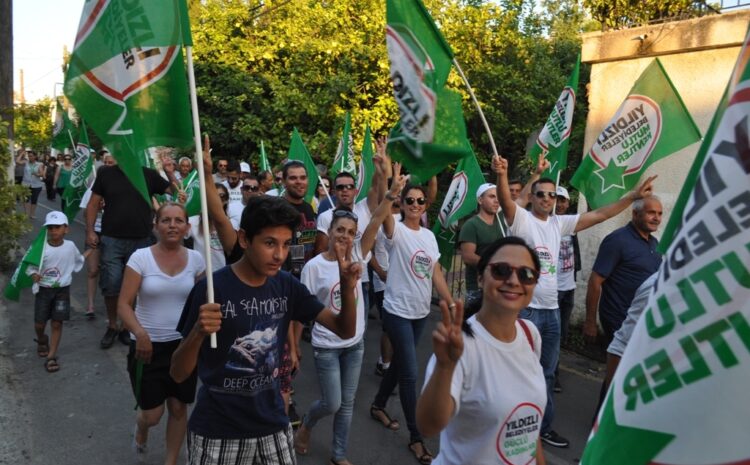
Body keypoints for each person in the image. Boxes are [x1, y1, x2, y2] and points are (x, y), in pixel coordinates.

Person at [170, 196, 361, 465]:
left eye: (285, 244)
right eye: (270, 243)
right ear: (245, 239)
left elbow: (344, 329)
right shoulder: (211, 290)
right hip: (217, 431)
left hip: (273, 424)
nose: (280, 255)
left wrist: (346, 284)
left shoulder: (286, 286)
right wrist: (198, 332)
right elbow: (178, 373)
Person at [493, 154, 657, 448]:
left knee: (546, 373)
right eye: (540, 194)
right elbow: (507, 203)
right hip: (525, 312)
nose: (546, 199)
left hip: (552, 312)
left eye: (551, 195)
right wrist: (503, 176)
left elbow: (601, 215)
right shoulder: (522, 220)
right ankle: (505, 426)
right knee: (517, 371)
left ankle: (542, 428)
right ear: (531, 198)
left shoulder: (560, 224)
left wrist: (632, 196)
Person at [294, 169, 406, 465]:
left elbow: (379, 217)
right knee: (332, 403)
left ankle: (339, 454)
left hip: (354, 345)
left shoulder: (359, 254)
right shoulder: (314, 268)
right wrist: (293, 347)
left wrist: (392, 191)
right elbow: (300, 311)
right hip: (326, 346)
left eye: (350, 232)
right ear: (329, 232)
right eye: (339, 230)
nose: (345, 236)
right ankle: (307, 422)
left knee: (347, 404)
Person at [417, 237, 546, 465]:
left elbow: (528, 429)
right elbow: (428, 426)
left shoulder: (530, 334)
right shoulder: (460, 345)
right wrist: (445, 367)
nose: (514, 280)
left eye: (526, 274)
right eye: (501, 270)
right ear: (480, 277)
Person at [370, 183, 456, 465]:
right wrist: (389, 189)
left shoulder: (429, 237)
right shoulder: (396, 229)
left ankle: (378, 405)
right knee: (409, 373)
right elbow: (383, 215)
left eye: (420, 201)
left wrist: (450, 302)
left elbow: (436, 274)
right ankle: (416, 437)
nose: (416, 204)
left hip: (420, 313)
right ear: (403, 203)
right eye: (410, 200)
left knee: (400, 365)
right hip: (396, 311)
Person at [118, 202, 206, 465]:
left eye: (179, 220)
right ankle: (141, 429)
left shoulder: (196, 260)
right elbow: (124, 304)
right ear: (155, 226)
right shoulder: (140, 258)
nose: (172, 225)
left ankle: (171, 461)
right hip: (148, 348)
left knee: (179, 408)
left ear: (187, 227)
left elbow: (203, 301)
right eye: (166, 220)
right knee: (152, 415)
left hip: (182, 346)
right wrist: (139, 334)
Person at [86, 157, 177, 349]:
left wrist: (169, 172)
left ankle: (128, 326)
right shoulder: (106, 173)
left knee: (135, 288)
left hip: (142, 241)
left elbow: (176, 192)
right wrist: (90, 230)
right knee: (111, 285)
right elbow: (93, 204)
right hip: (112, 240)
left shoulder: (148, 175)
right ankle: (112, 325)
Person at [583, 196, 663, 347]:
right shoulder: (617, 240)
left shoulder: (654, 243)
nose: (656, 218)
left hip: (642, 320)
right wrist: (590, 322)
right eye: (651, 213)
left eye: (659, 213)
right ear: (635, 214)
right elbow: (595, 281)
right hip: (619, 320)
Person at [28, 211, 89, 373]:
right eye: (50, 228)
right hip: (43, 290)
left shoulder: (70, 247)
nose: (54, 230)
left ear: (66, 229)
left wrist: (90, 251)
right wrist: (34, 274)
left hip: (62, 291)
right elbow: (29, 265)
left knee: (57, 322)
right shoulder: (40, 247)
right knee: (39, 323)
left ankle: (51, 356)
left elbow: (78, 260)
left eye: (57, 227)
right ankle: (42, 339)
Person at [458, 183, 507, 306]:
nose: (497, 201)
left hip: (500, 286)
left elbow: (522, 199)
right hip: (478, 288)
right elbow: (468, 257)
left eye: (498, 197)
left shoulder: (502, 221)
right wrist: (494, 267)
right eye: (492, 197)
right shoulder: (471, 225)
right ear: (480, 200)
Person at [553, 186, 580, 393]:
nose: (559, 204)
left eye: (563, 201)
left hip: (568, 288)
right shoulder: (548, 225)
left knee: (562, 334)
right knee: (550, 334)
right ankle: (551, 374)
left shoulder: (570, 226)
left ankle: (552, 369)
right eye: (557, 200)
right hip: (552, 291)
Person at [22, 150, 46, 219]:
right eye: (29, 156)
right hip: (26, 184)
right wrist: (21, 153)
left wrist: (36, 174)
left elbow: (42, 174)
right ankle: (26, 213)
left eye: (31, 156)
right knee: (26, 199)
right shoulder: (26, 163)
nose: (30, 157)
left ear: (35, 156)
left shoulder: (39, 164)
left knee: (34, 199)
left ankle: (32, 214)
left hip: (36, 185)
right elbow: (17, 161)